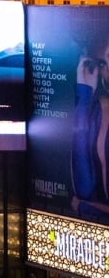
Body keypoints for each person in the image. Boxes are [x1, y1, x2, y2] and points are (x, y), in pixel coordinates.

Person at [71, 31, 109, 221]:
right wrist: (84, 95)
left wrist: (88, 207)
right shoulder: (101, 108)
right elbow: (83, 189)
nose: (108, 70)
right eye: (102, 63)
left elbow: (82, 204)